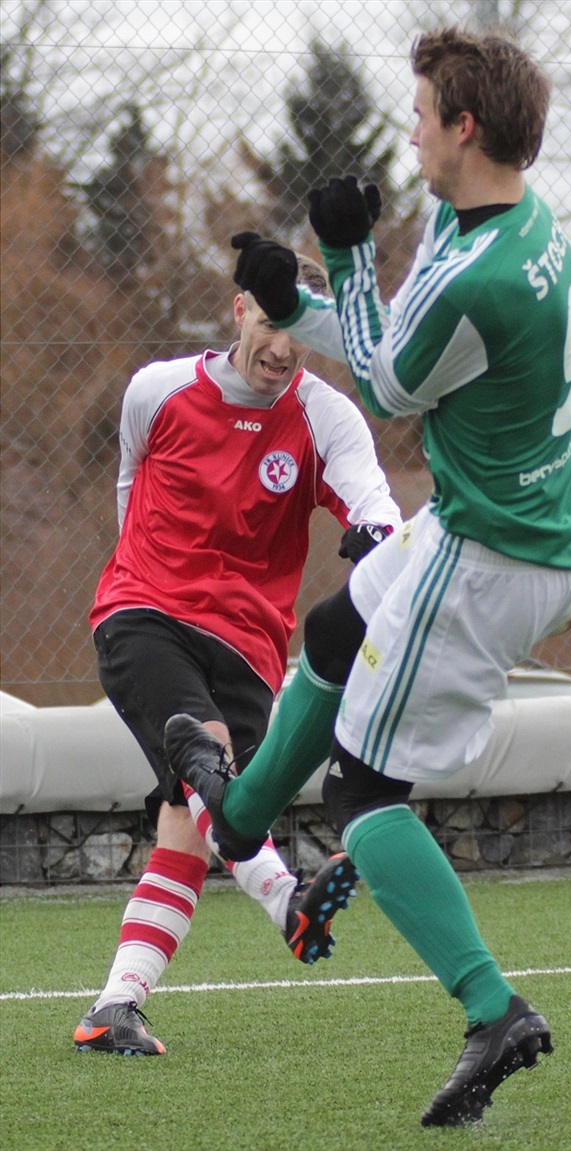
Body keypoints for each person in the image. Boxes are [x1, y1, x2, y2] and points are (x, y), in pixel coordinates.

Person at [165, 28, 571, 1126]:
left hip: (488, 553)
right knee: (332, 626)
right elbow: (400, 341)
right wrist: (299, 300)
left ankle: (494, 1009)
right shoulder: (511, 224)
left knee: (363, 795)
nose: (409, 132)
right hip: (513, 520)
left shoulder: (482, 276)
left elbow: (394, 386)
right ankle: (242, 816)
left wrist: (345, 257)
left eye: (419, 113)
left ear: (464, 125)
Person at [72, 251, 402, 1056]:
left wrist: (378, 536)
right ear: (239, 309)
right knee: (206, 754)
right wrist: (143, 574)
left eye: (299, 332)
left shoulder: (325, 417)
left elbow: (374, 500)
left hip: (250, 647)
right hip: (145, 611)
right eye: (271, 322)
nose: (283, 347)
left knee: (199, 821)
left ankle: (114, 1006)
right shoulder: (157, 390)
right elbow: (128, 489)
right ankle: (287, 899)